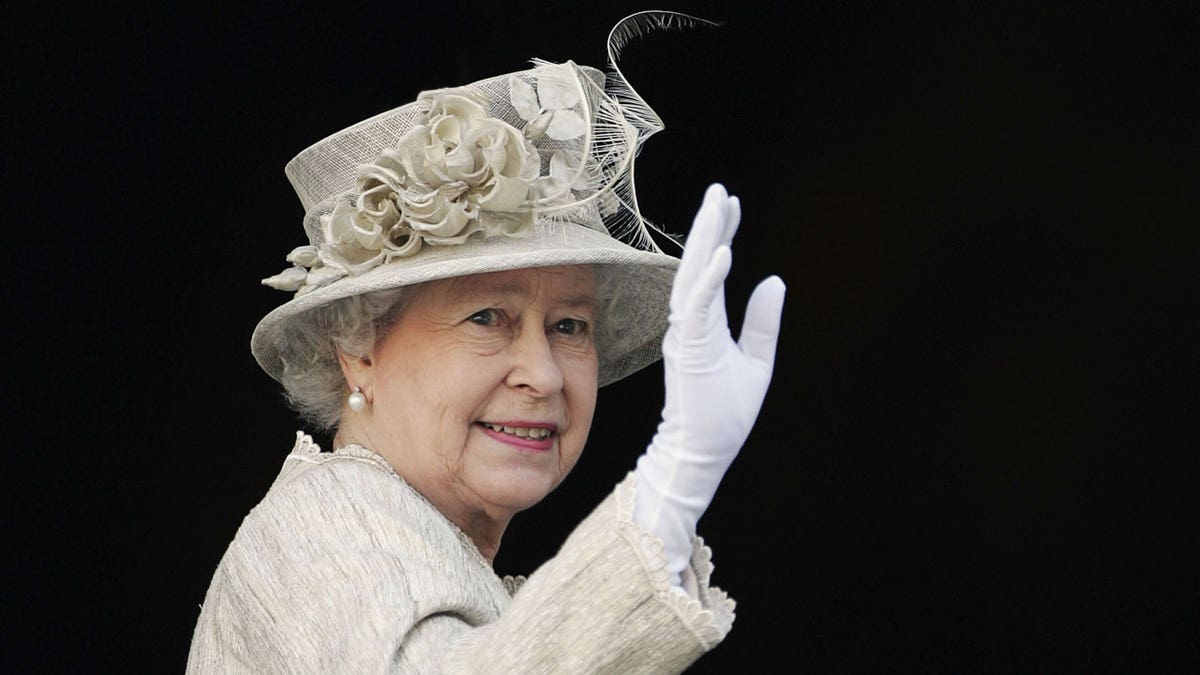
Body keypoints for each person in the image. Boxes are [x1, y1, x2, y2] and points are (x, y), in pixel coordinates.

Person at [186, 11, 786, 673]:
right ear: (358, 347)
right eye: (486, 318)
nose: (544, 375)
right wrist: (675, 480)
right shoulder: (328, 532)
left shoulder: (417, 546)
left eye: (569, 326)